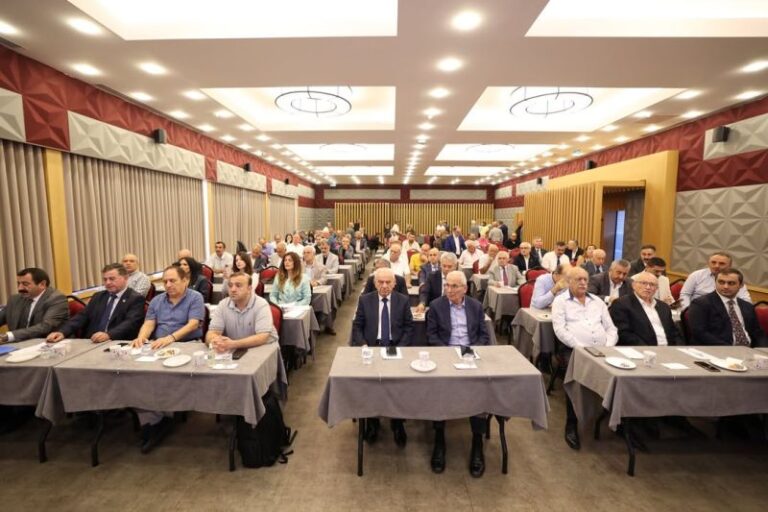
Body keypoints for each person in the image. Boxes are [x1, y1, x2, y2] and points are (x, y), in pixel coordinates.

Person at [131, 265, 205, 453]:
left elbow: (193, 324)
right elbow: (149, 323)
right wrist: (141, 338)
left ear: (185, 280)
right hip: (159, 346)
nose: (168, 285)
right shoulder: (157, 301)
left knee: (165, 377)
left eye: (173, 281)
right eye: (165, 281)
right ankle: (154, 419)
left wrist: (171, 338)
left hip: (187, 345)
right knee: (139, 376)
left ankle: (162, 416)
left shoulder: (195, 298)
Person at [426, 270, 490, 477]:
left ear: (465, 288)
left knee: (479, 390)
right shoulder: (436, 306)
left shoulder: (475, 306)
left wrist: (469, 353)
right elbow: (432, 337)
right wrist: (450, 354)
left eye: (454, 286)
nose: (449, 290)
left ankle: (477, 443)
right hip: (446, 355)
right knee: (440, 390)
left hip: (471, 355)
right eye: (447, 285)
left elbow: (483, 336)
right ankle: (439, 440)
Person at [552, 267, 617, 450]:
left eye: (585, 280)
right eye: (578, 279)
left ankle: (616, 419)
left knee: (619, 374)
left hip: (603, 349)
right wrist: (581, 348)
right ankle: (572, 423)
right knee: (576, 379)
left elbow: (611, 328)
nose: (582, 283)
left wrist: (608, 347)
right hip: (574, 349)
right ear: (568, 282)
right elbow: (560, 330)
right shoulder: (560, 301)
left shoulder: (597, 301)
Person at [351, 267, 414, 446]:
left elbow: (409, 328)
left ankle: (398, 421)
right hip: (372, 347)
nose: (384, 285)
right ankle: (372, 421)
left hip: (395, 347)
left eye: (388, 282)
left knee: (398, 385)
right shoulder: (365, 300)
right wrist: (364, 345)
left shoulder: (402, 300)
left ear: (394, 284)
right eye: (380, 282)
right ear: (374, 283)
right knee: (371, 385)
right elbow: (357, 326)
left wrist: (400, 348)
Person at [46, 263, 145, 344]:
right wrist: (62, 332)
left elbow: (130, 323)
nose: (107, 283)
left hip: (116, 342)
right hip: (91, 341)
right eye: (105, 279)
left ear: (125, 278)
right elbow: (81, 317)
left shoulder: (135, 299)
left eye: (112, 279)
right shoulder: (98, 296)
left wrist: (109, 335)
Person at [688, 268, 766, 347]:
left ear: (741, 285)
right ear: (715, 283)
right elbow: (700, 333)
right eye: (721, 282)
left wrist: (763, 350)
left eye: (731, 283)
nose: (725, 286)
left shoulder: (747, 306)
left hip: (749, 350)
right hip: (717, 349)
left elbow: (758, 333)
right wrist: (731, 349)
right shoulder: (701, 304)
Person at [206, 272, 278, 353]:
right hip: (234, 350)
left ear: (249, 289)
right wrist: (215, 342)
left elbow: (262, 337)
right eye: (230, 285)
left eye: (238, 285)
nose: (233, 289)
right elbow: (212, 332)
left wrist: (233, 344)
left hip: (263, 350)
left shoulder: (261, 304)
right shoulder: (223, 304)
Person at [609, 271, 682, 346]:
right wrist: (649, 349)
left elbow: (674, 332)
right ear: (633, 285)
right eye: (643, 283)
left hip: (669, 349)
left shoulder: (664, 307)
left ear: (656, 288)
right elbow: (624, 333)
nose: (648, 287)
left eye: (652, 284)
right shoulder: (622, 304)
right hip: (641, 348)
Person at [0, 267, 68, 343]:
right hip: (18, 344)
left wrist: (8, 336)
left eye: (25, 284)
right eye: (18, 283)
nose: (20, 288)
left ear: (42, 284)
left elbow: (45, 327)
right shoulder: (15, 299)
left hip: (48, 343)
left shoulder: (57, 299)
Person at [680, 251, 751, 309]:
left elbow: (746, 301)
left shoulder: (735, 280)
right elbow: (685, 294)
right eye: (713, 262)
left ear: (729, 266)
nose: (716, 266)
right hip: (697, 309)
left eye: (722, 263)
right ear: (709, 263)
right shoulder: (696, 275)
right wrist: (688, 310)